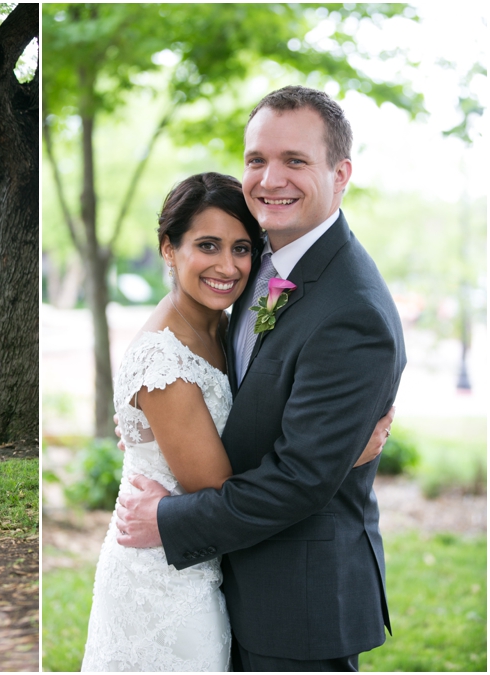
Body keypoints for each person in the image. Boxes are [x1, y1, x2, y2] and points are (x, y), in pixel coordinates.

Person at [114, 86, 405, 671]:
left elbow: (300, 481)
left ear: (340, 172)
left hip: (294, 603)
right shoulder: (260, 266)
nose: (271, 178)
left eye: (295, 160)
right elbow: (247, 398)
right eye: (256, 160)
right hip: (223, 587)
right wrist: (162, 431)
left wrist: (166, 520)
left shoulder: (353, 309)